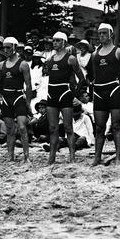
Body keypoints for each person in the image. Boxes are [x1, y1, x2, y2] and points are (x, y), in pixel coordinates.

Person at [91, 23, 120, 166]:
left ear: (111, 34)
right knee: (99, 127)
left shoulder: (118, 52)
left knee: (116, 125)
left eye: (104, 33)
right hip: (99, 91)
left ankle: (118, 157)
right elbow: (95, 74)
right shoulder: (95, 54)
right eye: (99, 33)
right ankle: (97, 157)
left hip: (113, 90)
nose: (101, 36)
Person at [45, 31, 85, 164]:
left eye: (57, 40)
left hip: (65, 94)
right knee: (52, 128)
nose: (54, 43)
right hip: (52, 94)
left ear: (64, 42)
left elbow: (82, 78)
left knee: (68, 127)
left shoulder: (70, 58)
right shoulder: (49, 60)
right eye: (53, 40)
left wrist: (74, 94)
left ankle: (72, 156)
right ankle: (52, 156)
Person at [0, 37, 32, 162]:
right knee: (10, 129)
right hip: (6, 97)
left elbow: (28, 85)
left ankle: (26, 157)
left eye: (8, 47)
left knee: (22, 127)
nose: (6, 50)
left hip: (18, 96)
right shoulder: (1, 65)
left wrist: (28, 102)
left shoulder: (23, 64)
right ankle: (10, 156)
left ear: (14, 47)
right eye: (4, 47)